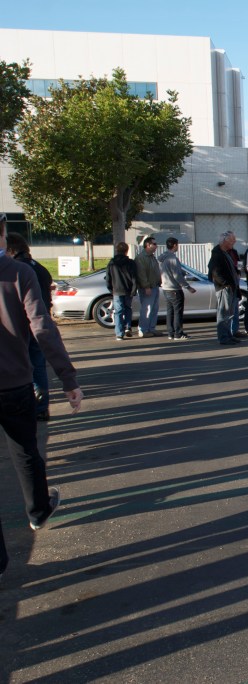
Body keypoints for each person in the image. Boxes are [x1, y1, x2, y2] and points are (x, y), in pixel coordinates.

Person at [0, 213, 84, 582]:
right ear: (3, 235)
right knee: (25, 450)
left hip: (14, 382)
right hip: (13, 383)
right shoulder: (20, 273)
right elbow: (42, 327)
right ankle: (38, 509)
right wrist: (67, 378)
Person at [4, 232, 54, 420]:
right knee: (38, 365)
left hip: (24, 324)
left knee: (25, 367)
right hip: (41, 322)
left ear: (11, 250)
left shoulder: (18, 270)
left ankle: (32, 404)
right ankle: (42, 406)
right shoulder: (39, 268)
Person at [158, 237, 197, 340]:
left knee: (170, 311)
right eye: (177, 245)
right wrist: (188, 287)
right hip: (174, 288)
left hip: (166, 288)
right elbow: (177, 275)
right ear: (174, 245)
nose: (178, 247)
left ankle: (171, 333)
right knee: (178, 312)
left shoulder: (163, 258)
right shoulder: (172, 258)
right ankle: (178, 334)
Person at [208, 231, 242, 345]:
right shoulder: (217, 254)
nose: (234, 242)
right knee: (223, 314)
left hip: (230, 287)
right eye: (232, 240)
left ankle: (228, 335)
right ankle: (223, 337)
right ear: (225, 241)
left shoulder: (226, 253)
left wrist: (236, 273)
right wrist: (225, 284)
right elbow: (214, 271)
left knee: (229, 314)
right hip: (224, 288)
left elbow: (232, 268)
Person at [105, 241, 137, 341]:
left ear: (117, 250)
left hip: (117, 290)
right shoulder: (131, 263)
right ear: (127, 251)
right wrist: (134, 289)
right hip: (128, 289)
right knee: (128, 308)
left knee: (118, 311)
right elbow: (134, 278)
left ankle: (119, 333)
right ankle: (128, 327)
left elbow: (108, 278)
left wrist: (111, 289)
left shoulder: (112, 263)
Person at [134, 237, 161, 338]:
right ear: (148, 245)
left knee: (154, 309)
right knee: (147, 309)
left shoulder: (152, 257)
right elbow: (141, 274)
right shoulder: (141, 258)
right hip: (147, 288)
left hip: (155, 286)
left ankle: (151, 328)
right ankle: (143, 330)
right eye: (154, 244)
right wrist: (146, 286)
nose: (156, 246)